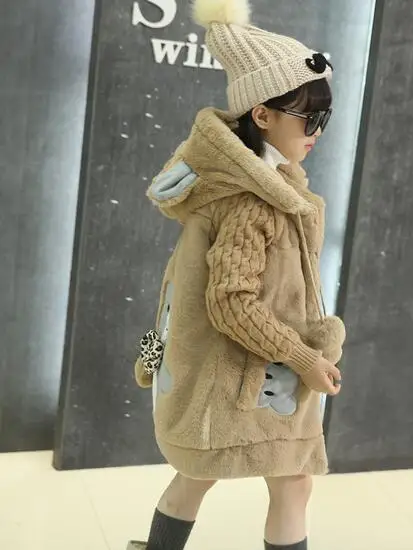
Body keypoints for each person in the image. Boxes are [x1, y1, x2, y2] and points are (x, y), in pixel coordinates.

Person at [129, 0, 346, 548]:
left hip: (243, 374)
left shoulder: (258, 185)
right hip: (248, 375)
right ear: (263, 115)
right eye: (308, 118)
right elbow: (231, 302)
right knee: (285, 482)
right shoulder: (253, 201)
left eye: (324, 118)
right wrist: (305, 359)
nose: (317, 131)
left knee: (207, 476)